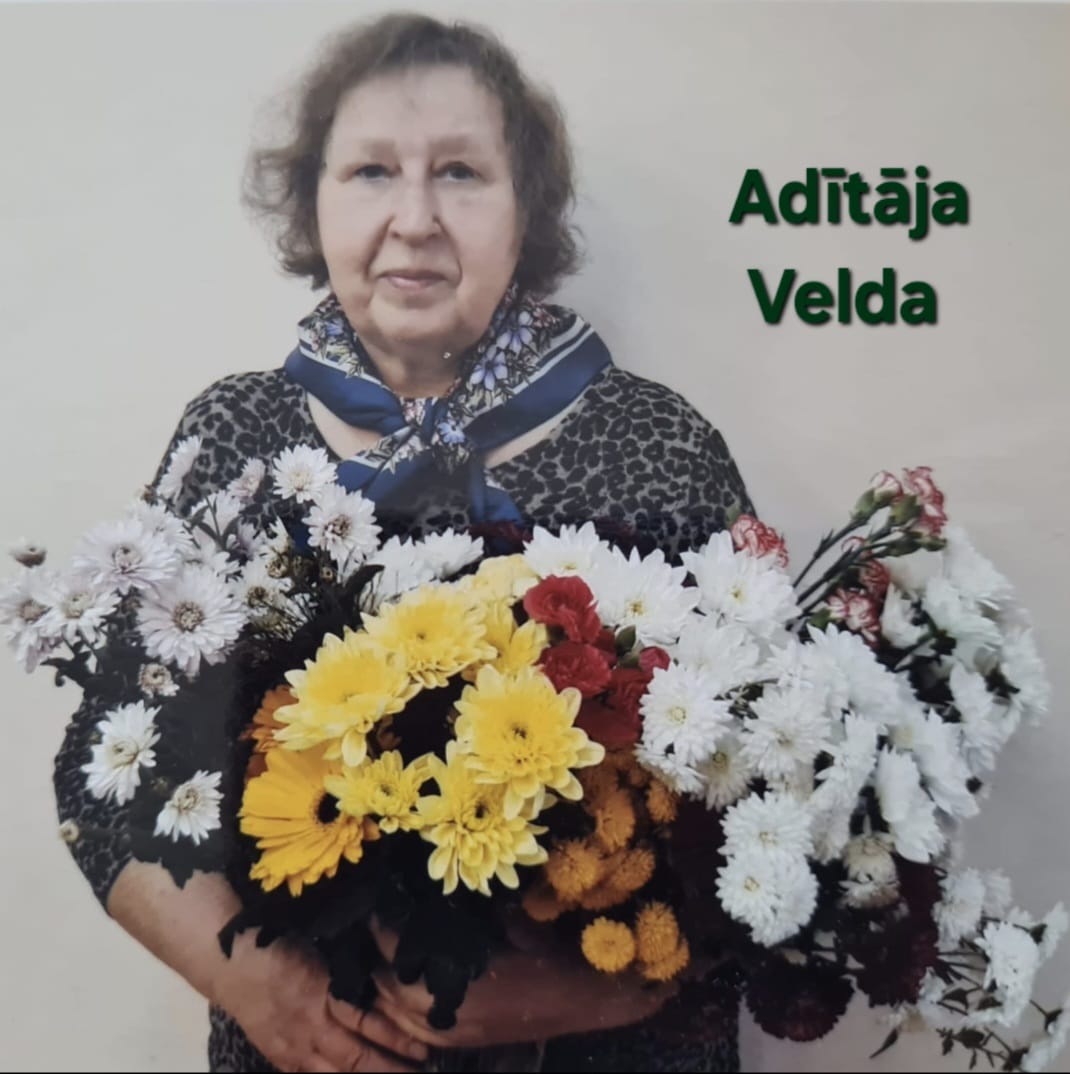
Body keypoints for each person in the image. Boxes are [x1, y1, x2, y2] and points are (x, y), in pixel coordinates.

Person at [53, 13, 754, 1073]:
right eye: (372, 171)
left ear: (526, 210)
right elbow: (106, 776)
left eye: (461, 173)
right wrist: (265, 989)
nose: (415, 219)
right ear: (315, 202)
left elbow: (776, 810)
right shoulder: (237, 438)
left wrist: (579, 991)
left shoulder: (656, 441)